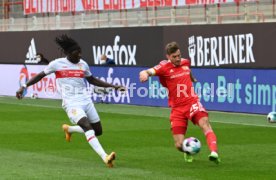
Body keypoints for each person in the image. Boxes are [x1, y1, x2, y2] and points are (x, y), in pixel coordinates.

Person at [16, 34, 125, 168]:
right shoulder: (57, 64)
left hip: (86, 101)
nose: (79, 55)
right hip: (72, 103)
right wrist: (24, 86)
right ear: (68, 53)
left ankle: (70, 129)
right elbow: (40, 75)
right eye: (76, 53)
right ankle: (105, 157)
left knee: (98, 131)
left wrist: (114, 87)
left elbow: (92, 80)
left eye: (80, 52)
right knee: (87, 126)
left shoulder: (83, 64)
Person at [139, 42, 220, 164]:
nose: (177, 59)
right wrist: (144, 74)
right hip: (177, 108)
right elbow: (148, 71)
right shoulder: (163, 67)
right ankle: (188, 151)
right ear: (168, 56)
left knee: (205, 124)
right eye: (174, 57)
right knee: (178, 144)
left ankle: (214, 153)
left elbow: (188, 70)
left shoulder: (185, 62)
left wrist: (192, 78)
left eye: (179, 55)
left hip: (192, 102)